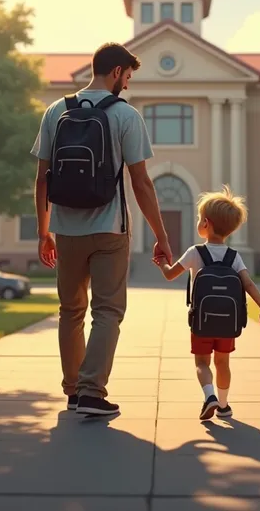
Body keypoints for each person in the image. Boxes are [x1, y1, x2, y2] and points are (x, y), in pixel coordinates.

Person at [31, 42, 172, 416]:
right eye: (127, 76)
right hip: (110, 231)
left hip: (65, 229)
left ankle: (74, 391)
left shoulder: (56, 110)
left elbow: (42, 179)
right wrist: (161, 236)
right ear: (116, 72)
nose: (127, 84)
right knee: (107, 310)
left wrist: (44, 232)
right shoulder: (126, 116)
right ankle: (93, 392)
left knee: (70, 311)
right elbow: (141, 182)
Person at [153, 185, 260, 420]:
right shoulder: (234, 256)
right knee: (223, 362)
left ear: (205, 224)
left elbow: (169, 275)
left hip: (202, 321)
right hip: (228, 323)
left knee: (202, 362)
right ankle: (224, 406)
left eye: (199, 218)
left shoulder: (194, 252)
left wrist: (161, 262)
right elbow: (248, 285)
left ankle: (209, 397)